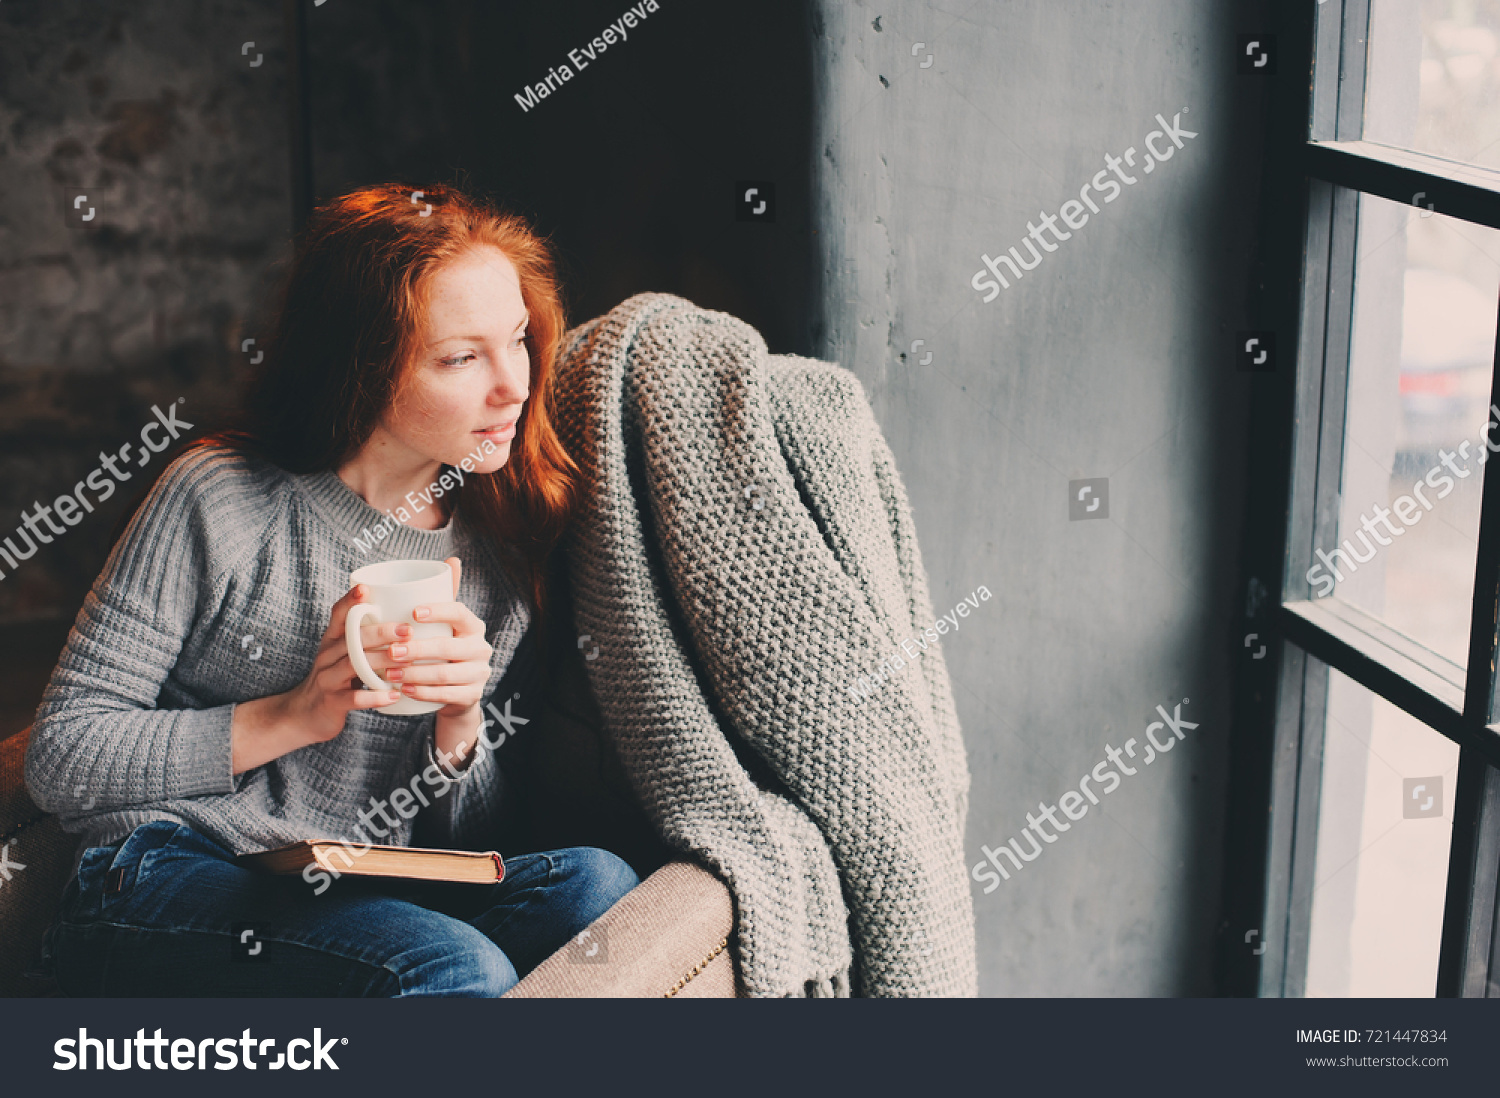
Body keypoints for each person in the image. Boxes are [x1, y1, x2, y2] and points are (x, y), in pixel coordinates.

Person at [23, 182, 639, 996]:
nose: (514, 386)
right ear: (364, 367)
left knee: (598, 888)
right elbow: (62, 757)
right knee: (457, 964)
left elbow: (475, 836)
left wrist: (460, 724)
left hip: (352, 888)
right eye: (461, 358)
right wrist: (292, 716)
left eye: (517, 340)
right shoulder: (221, 498)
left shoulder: (499, 547)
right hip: (164, 872)